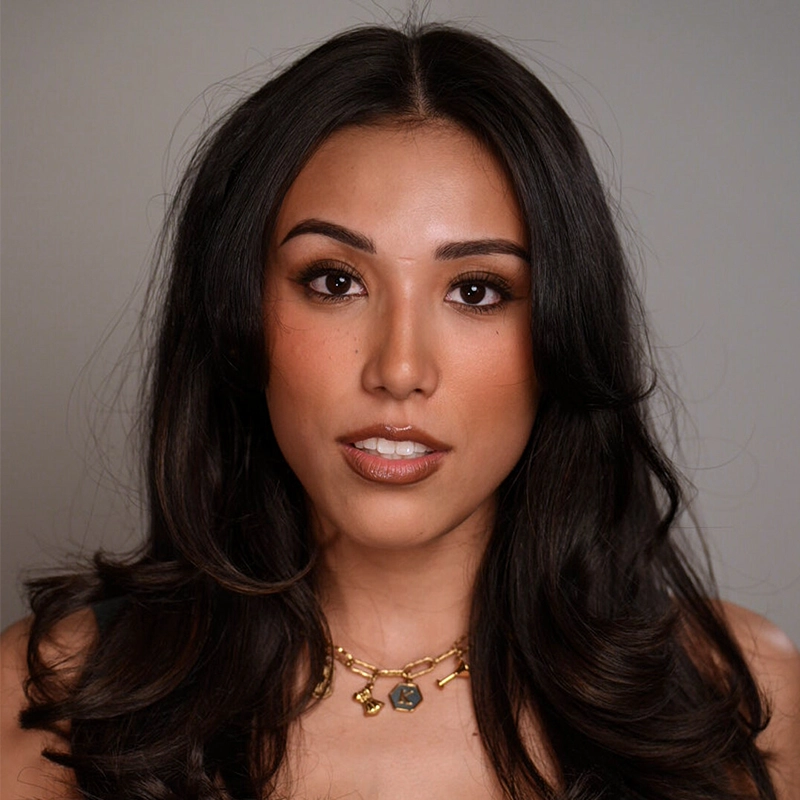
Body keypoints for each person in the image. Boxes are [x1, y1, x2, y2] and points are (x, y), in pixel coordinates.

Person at [1, 21, 798, 800]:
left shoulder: (744, 701)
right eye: (334, 281)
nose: (400, 370)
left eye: (477, 290)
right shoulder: (52, 700)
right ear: (233, 314)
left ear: (563, 329)